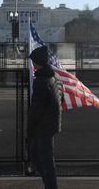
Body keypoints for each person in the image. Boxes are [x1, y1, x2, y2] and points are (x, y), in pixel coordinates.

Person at [27, 45, 64, 189]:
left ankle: (50, 186)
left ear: (38, 62)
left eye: (34, 62)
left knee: (46, 161)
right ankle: (49, 184)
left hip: (43, 127)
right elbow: (60, 99)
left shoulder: (41, 81)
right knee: (36, 155)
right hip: (50, 124)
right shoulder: (55, 76)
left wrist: (30, 129)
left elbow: (36, 109)